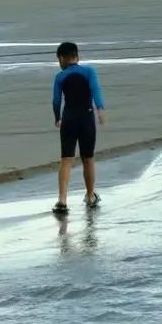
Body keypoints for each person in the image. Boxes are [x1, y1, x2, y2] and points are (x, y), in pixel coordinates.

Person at [50, 41, 106, 217]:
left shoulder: (60, 76)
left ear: (63, 58)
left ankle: (62, 200)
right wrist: (100, 110)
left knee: (66, 159)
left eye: (59, 59)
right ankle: (90, 196)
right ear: (77, 56)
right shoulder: (89, 72)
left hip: (69, 120)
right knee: (88, 158)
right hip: (86, 119)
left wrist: (57, 117)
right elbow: (96, 91)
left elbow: (56, 101)